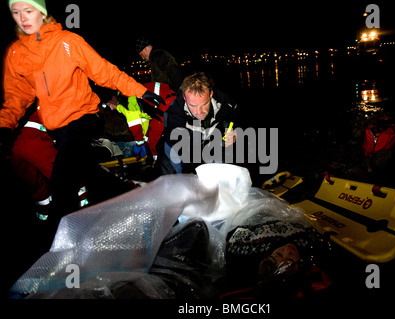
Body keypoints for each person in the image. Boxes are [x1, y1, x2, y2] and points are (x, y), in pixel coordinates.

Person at [0, 0, 165, 223]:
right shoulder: (16, 54)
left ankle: (61, 243)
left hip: (84, 117)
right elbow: (16, 96)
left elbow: (103, 71)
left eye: (28, 11)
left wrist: (137, 90)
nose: (23, 18)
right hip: (57, 126)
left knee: (62, 183)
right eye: (16, 12)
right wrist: (5, 125)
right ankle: (140, 198)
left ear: (41, 12)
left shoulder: (67, 42)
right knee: (89, 174)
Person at [160, 72, 239, 175]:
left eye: (204, 104)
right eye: (193, 105)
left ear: (210, 94)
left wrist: (235, 131)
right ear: (185, 98)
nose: (199, 112)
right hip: (185, 145)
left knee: (224, 171)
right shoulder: (174, 113)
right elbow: (179, 147)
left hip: (212, 141)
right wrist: (191, 173)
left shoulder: (225, 101)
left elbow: (236, 115)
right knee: (172, 162)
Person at [106, 82, 177, 162]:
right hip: (166, 99)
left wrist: (139, 143)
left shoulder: (125, 102)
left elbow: (135, 125)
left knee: (154, 136)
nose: (111, 108)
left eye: (109, 105)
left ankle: (158, 163)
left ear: (113, 98)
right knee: (152, 134)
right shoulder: (126, 95)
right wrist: (144, 139)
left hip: (166, 101)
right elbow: (144, 121)